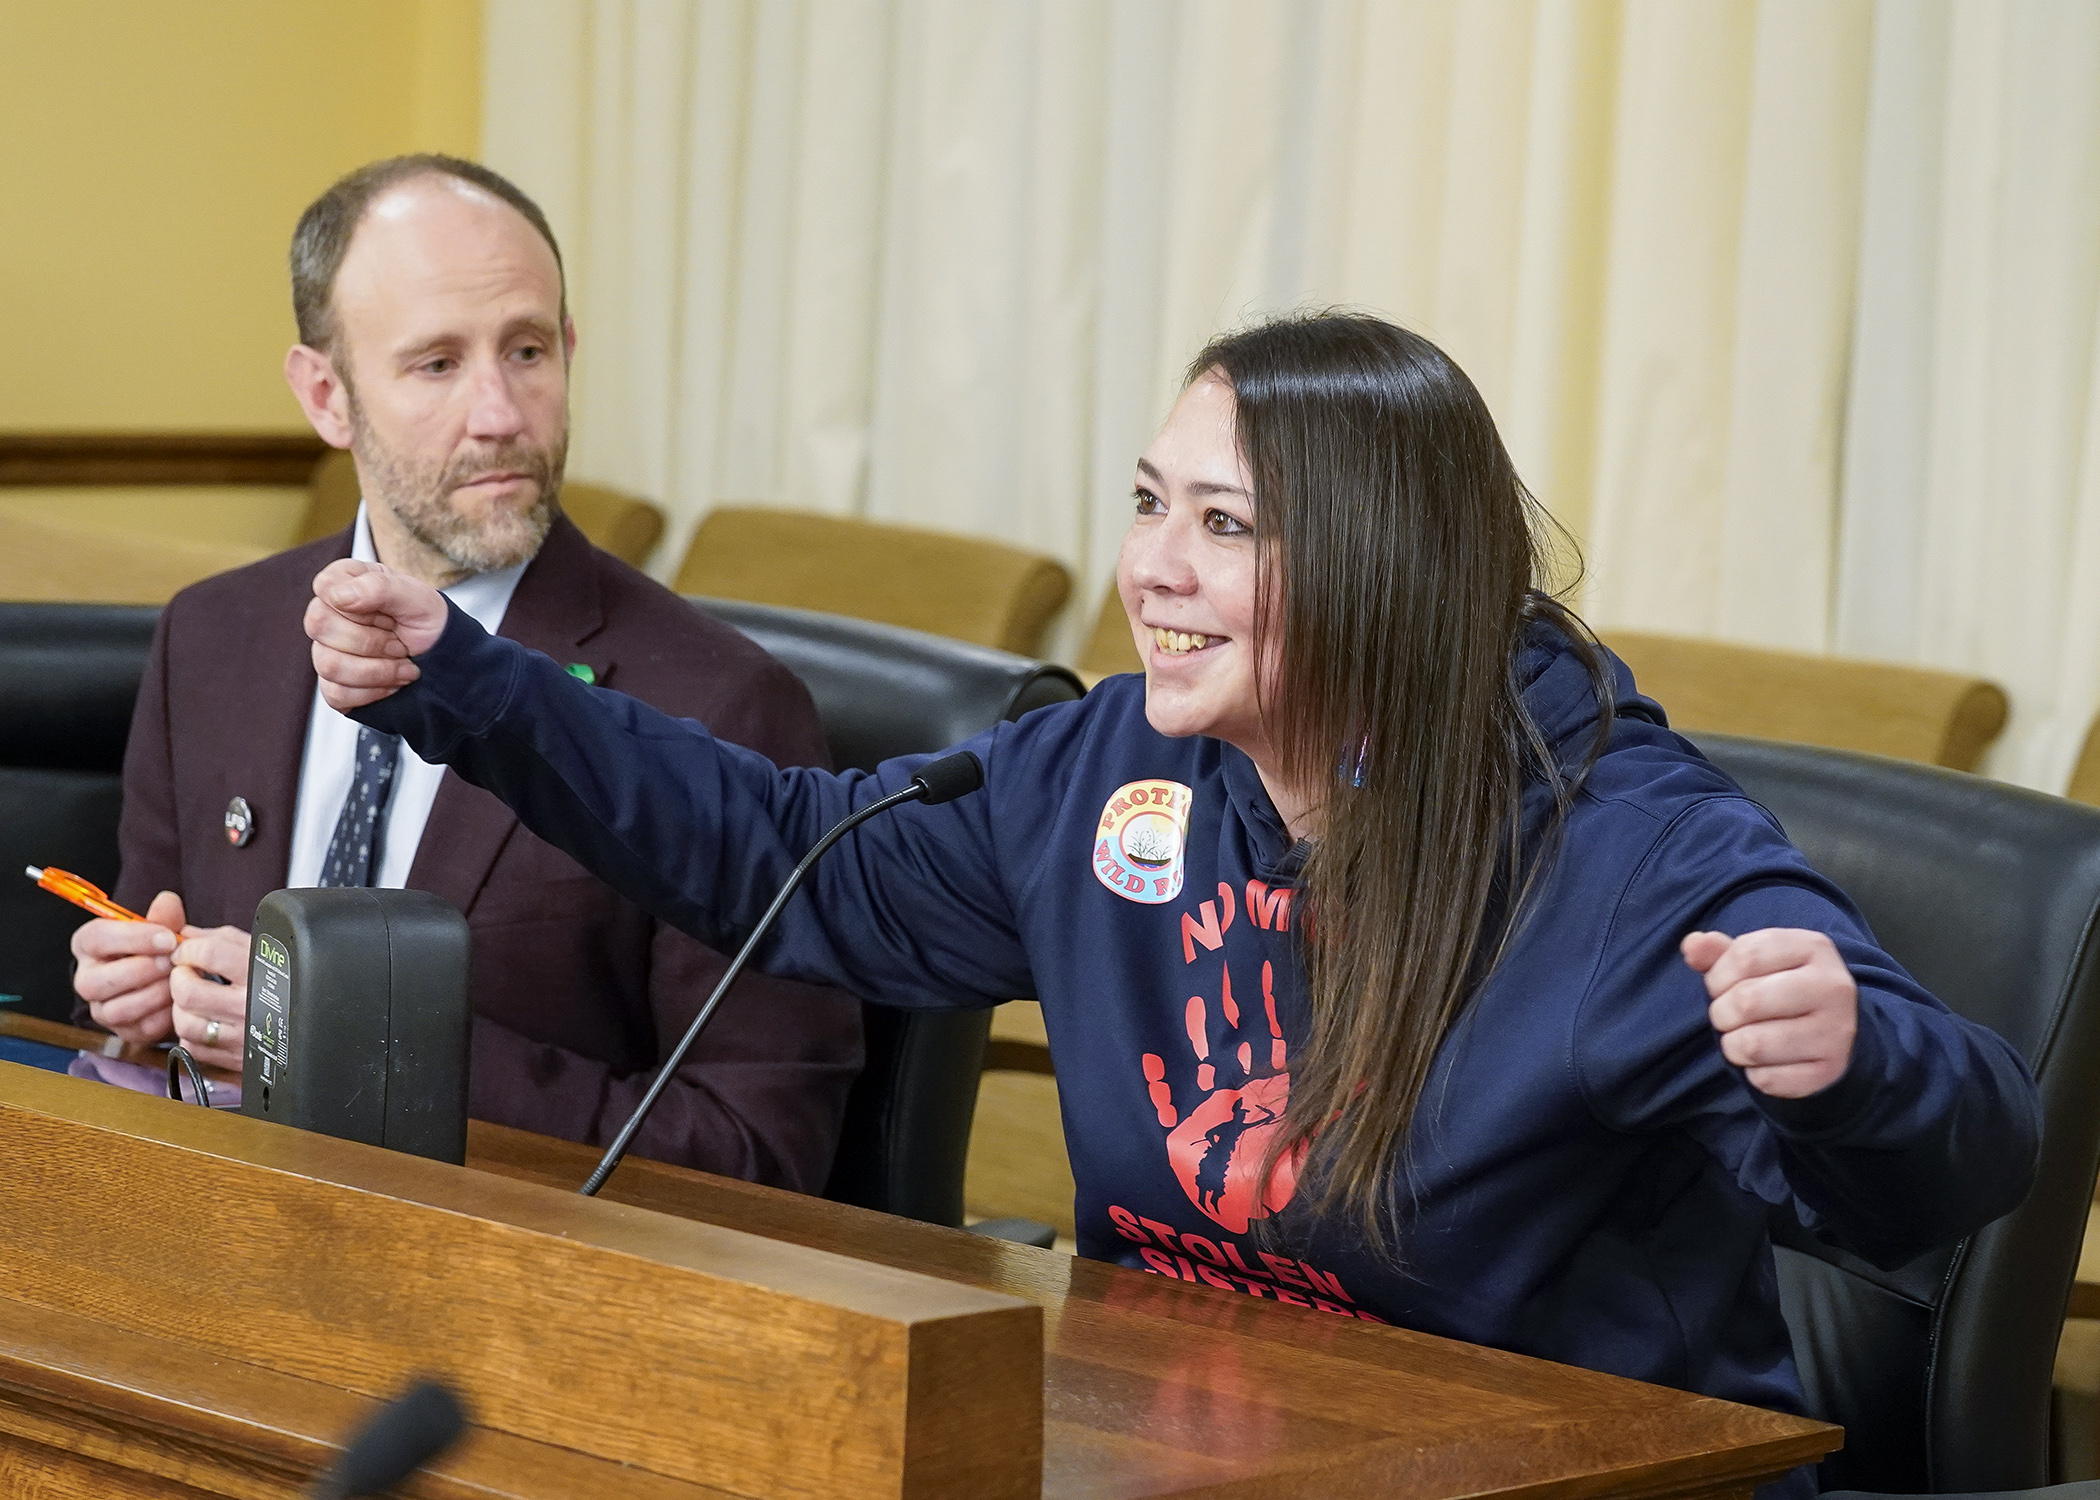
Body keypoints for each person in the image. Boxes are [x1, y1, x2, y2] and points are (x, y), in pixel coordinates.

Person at [304, 312, 2037, 1493]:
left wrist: (1855, 1062)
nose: (1153, 567)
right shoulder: (1117, 768)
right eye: (1148, 503)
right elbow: (786, 859)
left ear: (1377, 569)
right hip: (1188, 1451)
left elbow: (1955, 1169)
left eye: (1223, 522)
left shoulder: (1620, 846)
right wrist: (468, 679)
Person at [68, 155, 861, 1189]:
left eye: (527, 350)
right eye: (436, 364)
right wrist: (133, 998)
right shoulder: (213, 638)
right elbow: (150, 998)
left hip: (516, 1290)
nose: (500, 413)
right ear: (327, 396)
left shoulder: (722, 704)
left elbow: (762, 1153)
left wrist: (359, 1042)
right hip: (217, 1229)